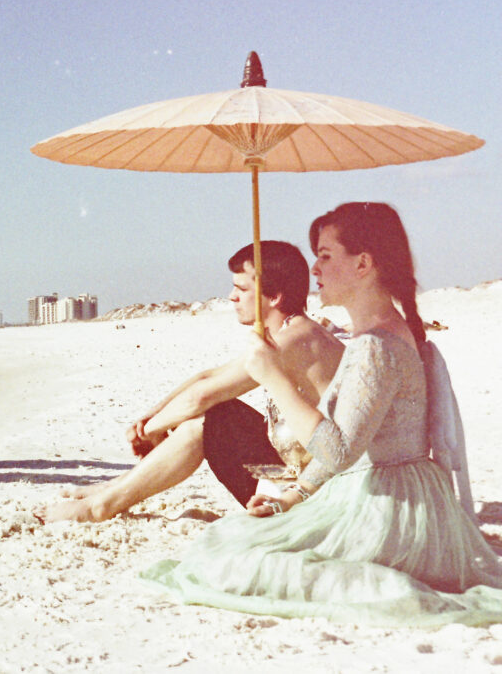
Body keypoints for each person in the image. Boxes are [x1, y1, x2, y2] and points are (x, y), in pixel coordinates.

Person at [141, 202, 502, 626]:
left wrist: (271, 376)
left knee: (235, 559)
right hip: (400, 496)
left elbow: (337, 450)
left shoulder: (375, 346)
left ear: (363, 264)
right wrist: (292, 497)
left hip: (388, 510)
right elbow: (354, 442)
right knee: (240, 542)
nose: (314, 269)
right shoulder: (377, 336)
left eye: (326, 256)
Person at [38, 241, 343, 522]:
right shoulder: (292, 331)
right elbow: (208, 377)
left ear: (274, 297)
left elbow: (202, 398)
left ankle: (102, 506)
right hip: (296, 464)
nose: (231, 296)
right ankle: (115, 487)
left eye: (241, 288)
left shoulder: (294, 341)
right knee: (220, 414)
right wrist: (152, 417)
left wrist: (151, 431)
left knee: (208, 421)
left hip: (311, 488)